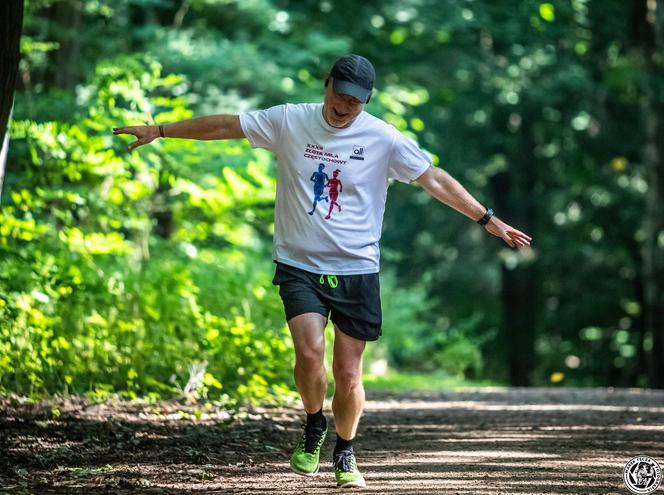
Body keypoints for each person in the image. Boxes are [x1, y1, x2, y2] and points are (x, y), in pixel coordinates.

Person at [113, 54, 532, 489]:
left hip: (356, 268)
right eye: (340, 95)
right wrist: (161, 130)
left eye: (356, 101)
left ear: (366, 101)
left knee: (349, 373)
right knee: (309, 354)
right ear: (327, 84)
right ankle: (315, 423)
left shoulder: (383, 138)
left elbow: (434, 180)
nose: (344, 106)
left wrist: (488, 219)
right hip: (299, 264)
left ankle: (345, 449)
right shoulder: (289, 120)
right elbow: (225, 126)